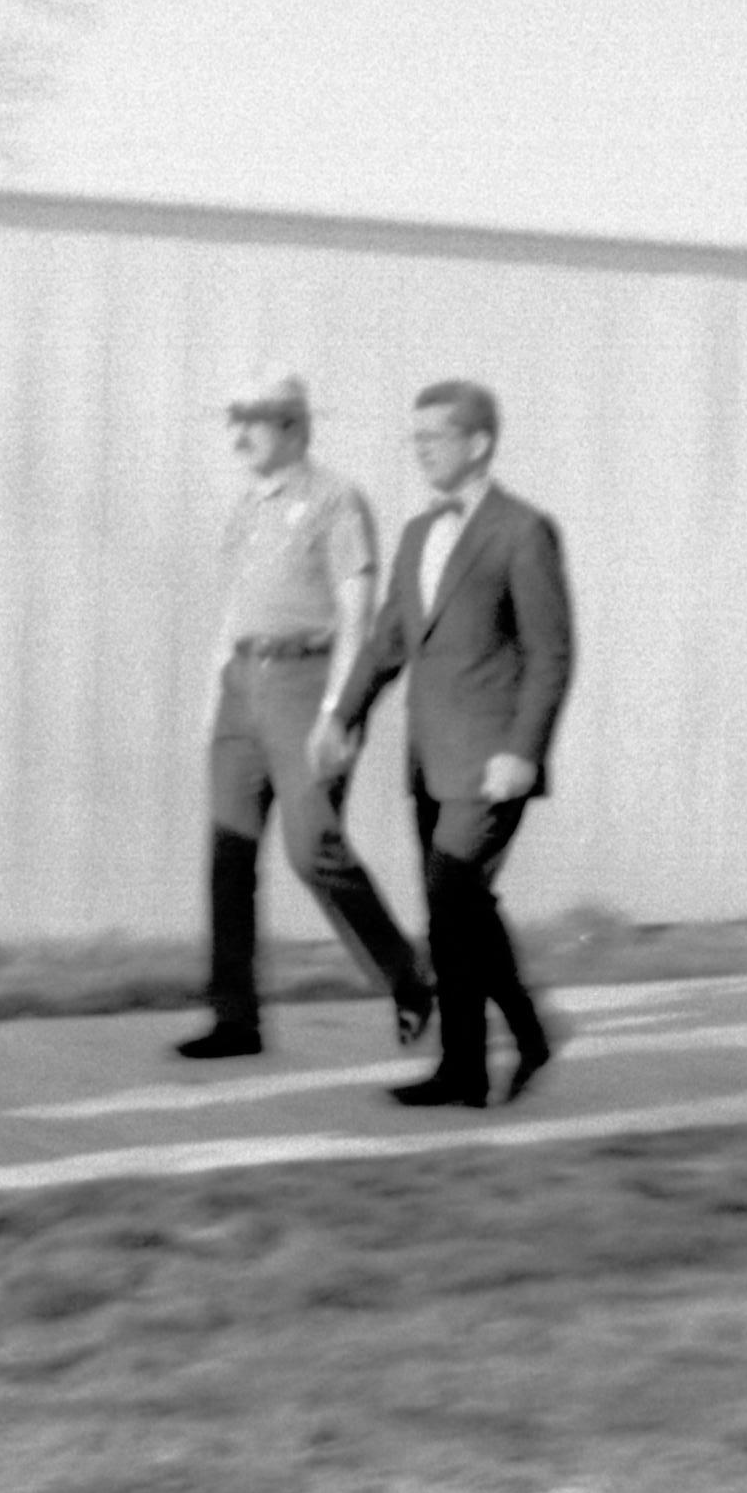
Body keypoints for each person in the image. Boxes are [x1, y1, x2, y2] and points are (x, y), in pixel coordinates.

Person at [316, 380, 573, 1109]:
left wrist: (523, 750)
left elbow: (551, 653)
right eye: (416, 437)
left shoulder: (523, 531)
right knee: (455, 907)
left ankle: (490, 1052)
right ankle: (499, 1047)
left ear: (478, 442)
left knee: (452, 892)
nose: (420, 449)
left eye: (434, 436)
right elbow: (389, 639)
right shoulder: (417, 535)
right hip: (431, 757)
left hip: (493, 760)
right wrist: (344, 714)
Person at [174, 367, 434, 1061]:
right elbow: (233, 609)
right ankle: (235, 1019)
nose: (238, 436)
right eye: (234, 421)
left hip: (305, 681)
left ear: (293, 427)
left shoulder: (335, 502)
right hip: (241, 685)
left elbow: (358, 610)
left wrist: (335, 711)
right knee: (228, 854)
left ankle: (406, 976)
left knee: (310, 847)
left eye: (251, 422)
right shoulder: (246, 509)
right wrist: (213, 694)